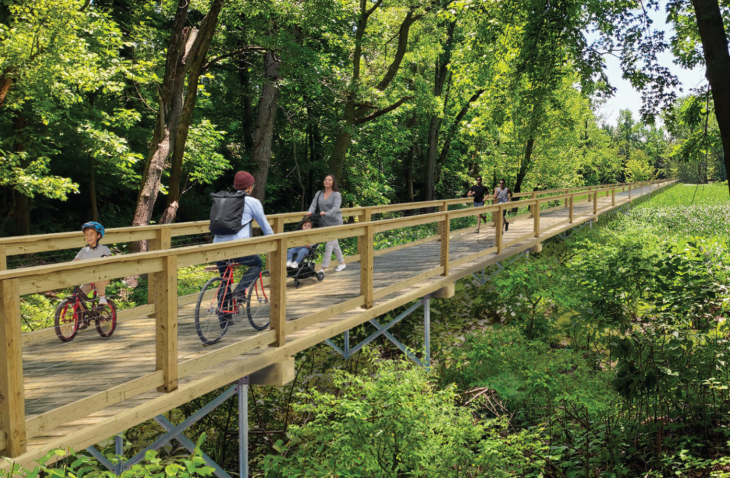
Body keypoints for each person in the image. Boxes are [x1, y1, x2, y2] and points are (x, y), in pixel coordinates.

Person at [213, 171, 274, 300]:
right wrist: (273, 241)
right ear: (250, 187)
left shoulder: (225, 200)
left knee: (225, 280)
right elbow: (265, 226)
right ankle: (240, 291)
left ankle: (223, 312)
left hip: (217, 246)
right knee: (257, 263)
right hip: (237, 247)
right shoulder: (252, 202)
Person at [307, 174, 346, 275]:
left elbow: (336, 208)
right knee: (334, 243)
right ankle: (342, 263)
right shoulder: (319, 193)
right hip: (324, 222)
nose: (327, 181)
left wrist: (326, 213)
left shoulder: (336, 194)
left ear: (333, 183)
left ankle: (323, 269)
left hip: (335, 222)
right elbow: (313, 204)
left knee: (329, 244)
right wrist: (310, 212)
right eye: (325, 179)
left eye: (329, 180)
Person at [75, 221, 111, 305]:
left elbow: (109, 259)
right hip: (89, 279)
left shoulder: (103, 248)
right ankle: (81, 312)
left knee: (97, 277)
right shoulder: (84, 250)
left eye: (91, 234)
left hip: (102, 277)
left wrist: (105, 259)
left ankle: (102, 298)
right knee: (78, 297)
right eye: (86, 234)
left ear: (98, 236)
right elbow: (74, 262)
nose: (88, 236)